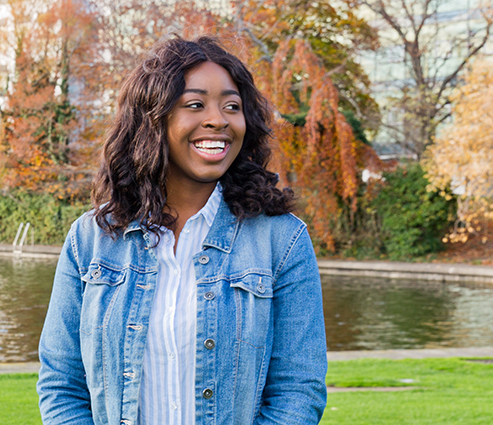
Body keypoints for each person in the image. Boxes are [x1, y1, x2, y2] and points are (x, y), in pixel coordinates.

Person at [37, 36, 326, 425]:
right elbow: (62, 383)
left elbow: (298, 390)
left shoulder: (281, 241)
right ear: (152, 120)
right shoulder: (90, 240)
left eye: (232, 106)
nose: (218, 120)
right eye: (195, 104)